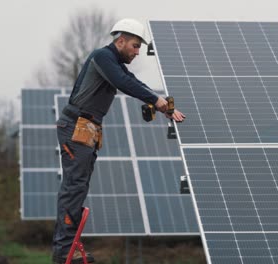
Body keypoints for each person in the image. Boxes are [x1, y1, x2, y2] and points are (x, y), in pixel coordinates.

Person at [52, 18, 185, 264]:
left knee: (78, 186)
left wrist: (160, 102)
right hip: (76, 126)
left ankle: (69, 246)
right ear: (120, 40)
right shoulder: (102, 56)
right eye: (135, 46)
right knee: (74, 186)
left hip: (88, 128)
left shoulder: (114, 62)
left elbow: (132, 81)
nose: (137, 52)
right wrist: (156, 101)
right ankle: (63, 250)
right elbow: (123, 83)